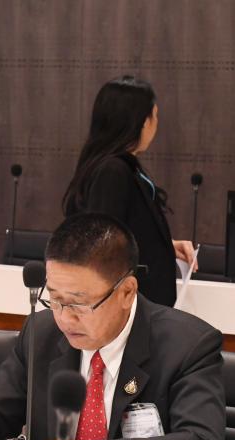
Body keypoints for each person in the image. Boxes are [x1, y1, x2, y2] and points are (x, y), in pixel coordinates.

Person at [0, 213, 224, 440]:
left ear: (127, 292)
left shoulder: (187, 346)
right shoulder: (41, 332)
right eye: (54, 299)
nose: (65, 318)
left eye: (79, 304)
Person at [62, 75, 196, 308]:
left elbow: (124, 229)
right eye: (155, 116)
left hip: (137, 304)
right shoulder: (112, 171)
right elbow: (103, 245)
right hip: (127, 307)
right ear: (142, 122)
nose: (156, 124)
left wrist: (165, 245)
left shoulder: (118, 166)